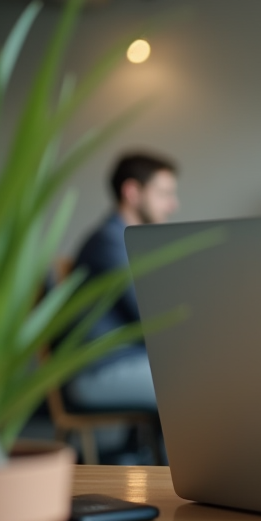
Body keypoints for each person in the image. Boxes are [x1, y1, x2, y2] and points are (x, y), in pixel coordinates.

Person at [64, 152, 180, 412]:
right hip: (100, 370)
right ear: (132, 191)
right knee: (207, 383)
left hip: (132, 361)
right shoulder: (109, 244)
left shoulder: (129, 242)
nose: (173, 205)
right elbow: (151, 315)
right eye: (164, 194)